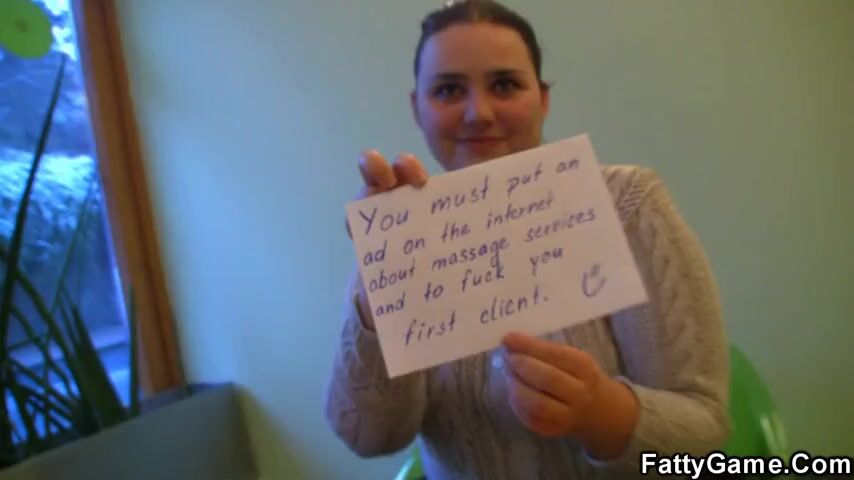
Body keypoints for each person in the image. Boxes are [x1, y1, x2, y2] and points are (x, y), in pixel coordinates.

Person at [325, 1, 730, 478]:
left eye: (504, 85)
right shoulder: (403, 232)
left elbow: (707, 430)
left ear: (543, 99)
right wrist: (383, 282)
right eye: (449, 90)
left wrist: (602, 413)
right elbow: (368, 437)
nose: (478, 113)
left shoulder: (628, 205)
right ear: (418, 108)